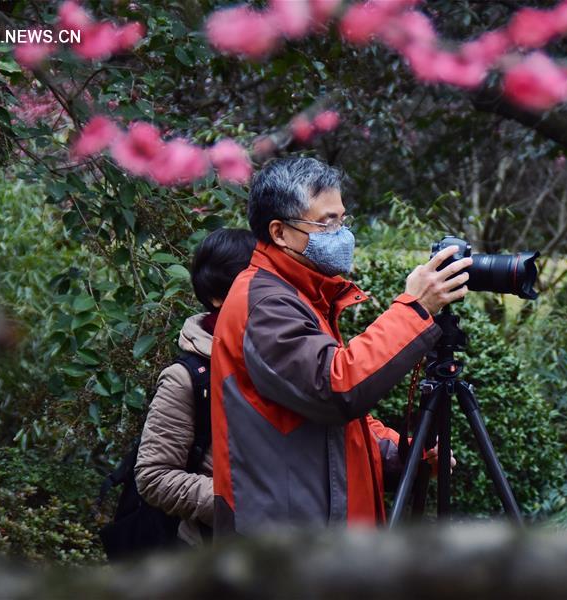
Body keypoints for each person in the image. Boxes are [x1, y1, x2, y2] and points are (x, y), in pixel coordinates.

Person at [210, 157, 471, 535]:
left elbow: (332, 430)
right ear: (279, 232)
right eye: (327, 222)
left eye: (343, 220)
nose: (342, 234)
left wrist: (403, 452)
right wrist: (415, 309)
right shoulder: (265, 306)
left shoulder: (303, 294)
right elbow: (336, 387)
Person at [134, 228, 256, 546]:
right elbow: (154, 476)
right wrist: (240, 505)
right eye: (248, 284)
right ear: (216, 296)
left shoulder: (286, 356)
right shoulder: (187, 377)